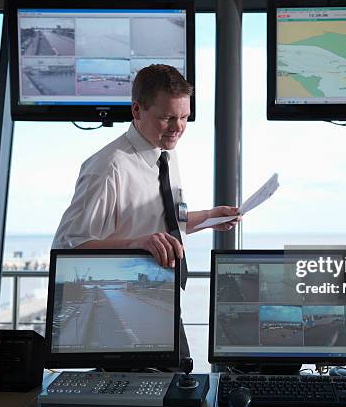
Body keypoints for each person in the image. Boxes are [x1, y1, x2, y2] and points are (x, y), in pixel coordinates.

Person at [52, 64, 240, 359]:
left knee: (183, 393)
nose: (178, 127)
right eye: (167, 118)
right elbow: (67, 246)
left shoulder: (166, 153)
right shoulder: (108, 167)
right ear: (137, 110)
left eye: (184, 117)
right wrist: (136, 244)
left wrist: (209, 218)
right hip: (125, 323)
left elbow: (161, 221)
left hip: (167, 303)